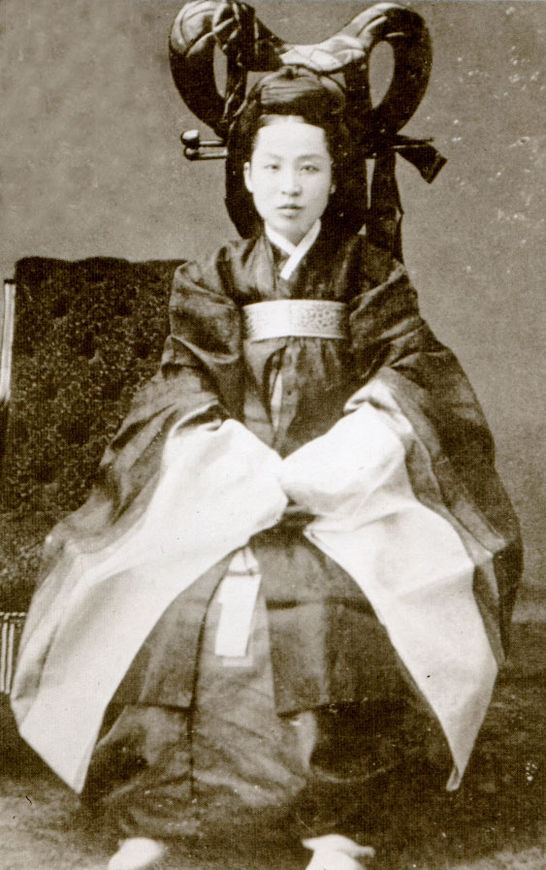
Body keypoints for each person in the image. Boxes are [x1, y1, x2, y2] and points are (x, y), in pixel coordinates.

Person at [11, 56, 521, 870]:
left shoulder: (371, 275)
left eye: (309, 168)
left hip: (345, 495)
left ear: (334, 177)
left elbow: (410, 376)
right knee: (170, 606)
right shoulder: (212, 278)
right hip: (225, 488)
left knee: (330, 607)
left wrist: (335, 465)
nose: (290, 187)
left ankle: (336, 826)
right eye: (274, 167)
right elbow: (181, 388)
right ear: (246, 175)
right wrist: (246, 474)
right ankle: (156, 819)